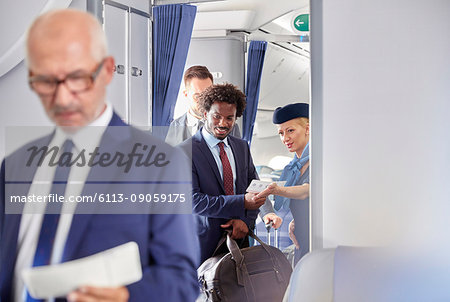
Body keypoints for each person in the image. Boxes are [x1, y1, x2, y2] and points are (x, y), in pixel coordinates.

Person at [0, 9, 198, 302]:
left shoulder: (161, 164)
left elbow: (181, 282)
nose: (62, 97)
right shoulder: (16, 164)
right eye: (45, 81)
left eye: (77, 78)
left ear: (106, 70)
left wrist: (125, 296)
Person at [179, 83, 280, 263]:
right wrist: (242, 202)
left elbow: (253, 186)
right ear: (205, 114)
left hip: (241, 239)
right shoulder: (185, 152)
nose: (223, 124)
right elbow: (194, 201)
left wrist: (245, 222)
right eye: (216, 117)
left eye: (229, 118)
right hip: (204, 245)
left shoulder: (241, 147)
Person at [255, 103, 310, 264]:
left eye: (290, 130)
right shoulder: (294, 166)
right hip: (301, 239)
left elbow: (307, 191)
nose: (285, 138)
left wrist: (277, 190)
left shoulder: (319, 159)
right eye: (281, 133)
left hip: (318, 239)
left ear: (308, 128)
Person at [165, 66, 240, 146]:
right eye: (197, 96)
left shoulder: (231, 127)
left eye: (207, 94)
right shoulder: (172, 128)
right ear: (186, 94)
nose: (203, 101)